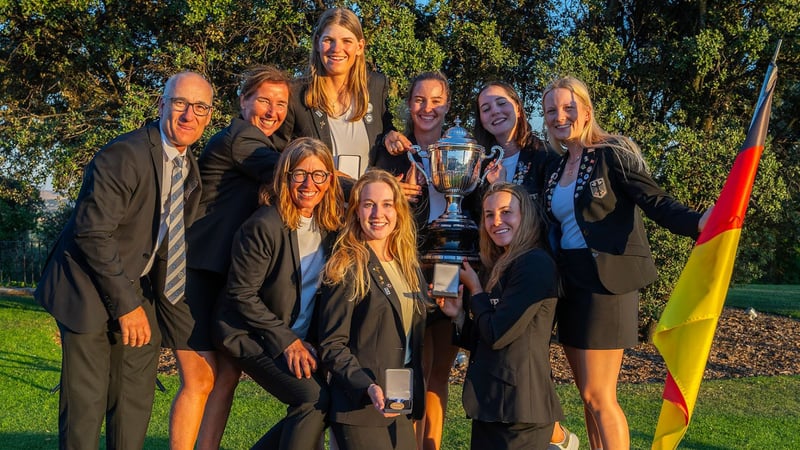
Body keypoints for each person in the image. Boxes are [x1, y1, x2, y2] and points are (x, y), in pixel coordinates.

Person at [34, 71, 212, 449]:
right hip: (84, 287)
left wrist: (152, 307)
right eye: (180, 103)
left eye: (200, 107)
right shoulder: (124, 155)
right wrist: (128, 305)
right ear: (161, 104)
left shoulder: (188, 164)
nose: (188, 115)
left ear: (209, 115)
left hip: (137, 287)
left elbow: (166, 244)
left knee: (134, 400)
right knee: (88, 404)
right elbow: (91, 233)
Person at [541, 76, 712, 449]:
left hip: (608, 282)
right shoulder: (554, 169)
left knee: (601, 396)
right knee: (586, 397)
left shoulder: (612, 153)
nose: (560, 116)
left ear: (586, 111)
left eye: (568, 107)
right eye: (551, 110)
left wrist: (698, 221)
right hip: (568, 283)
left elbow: (654, 200)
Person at [168, 66, 290, 449]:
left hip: (225, 277)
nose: (272, 111)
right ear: (243, 101)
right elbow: (297, 175)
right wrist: (374, 187)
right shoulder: (241, 138)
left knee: (226, 377)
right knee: (200, 379)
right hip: (195, 272)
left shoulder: (265, 142)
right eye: (264, 100)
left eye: (281, 104)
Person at [214, 137, 343, 449]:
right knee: (311, 398)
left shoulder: (329, 228)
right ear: (285, 177)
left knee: (323, 401)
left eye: (318, 175)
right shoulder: (264, 224)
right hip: (247, 333)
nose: (309, 183)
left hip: (297, 335)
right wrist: (288, 342)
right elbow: (241, 295)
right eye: (299, 174)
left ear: (329, 180)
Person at [473, 80, 578, 450]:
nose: (494, 112)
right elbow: (484, 221)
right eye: (485, 108)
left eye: (501, 103)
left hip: (536, 270)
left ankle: (551, 433)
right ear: (481, 120)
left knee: (525, 354)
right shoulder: (478, 161)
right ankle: (551, 434)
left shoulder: (545, 156)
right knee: (503, 355)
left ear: (519, 107)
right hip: (496, 268)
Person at [437, 182, 564, 449]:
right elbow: (485, 337)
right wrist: (459, 316)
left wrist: (477, 291)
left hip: (519, 410)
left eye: (507, 212)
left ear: (524, 216)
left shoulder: (534, 264)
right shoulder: (500, 264)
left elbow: (497, 334)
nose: (496, 221)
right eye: (489, 214)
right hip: (492, 405)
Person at [374, 71, 456, 450]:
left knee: (439, 371)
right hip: (401, 266)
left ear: (447, 106)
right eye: (420, 100)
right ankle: (401, 442)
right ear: (409, 104)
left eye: (436, 101)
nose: (427, 108)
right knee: (409, 365)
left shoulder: (460, 152)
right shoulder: (390, 151)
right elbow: (368, 201)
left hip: (447, 266)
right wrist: (393, 191)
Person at [318, 169, 428, 450]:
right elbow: (332, 346)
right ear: (356, 212)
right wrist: (366, 386)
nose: (378, 213)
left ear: (398, 211)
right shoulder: (346, 265)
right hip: (361, 406)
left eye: (387, 204)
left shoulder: (407, 264)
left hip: (400, 400)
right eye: (368, 204)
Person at [273, 7, 408, 181]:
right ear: (316, 43)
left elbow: (383, 132)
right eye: (329, 40)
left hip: (365, 205)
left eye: (347, 41)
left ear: (360, 46)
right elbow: (279, 153)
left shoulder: (376, 85)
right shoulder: (296, 93)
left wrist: (390, 136)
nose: (337, 49)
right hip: (317, 203)